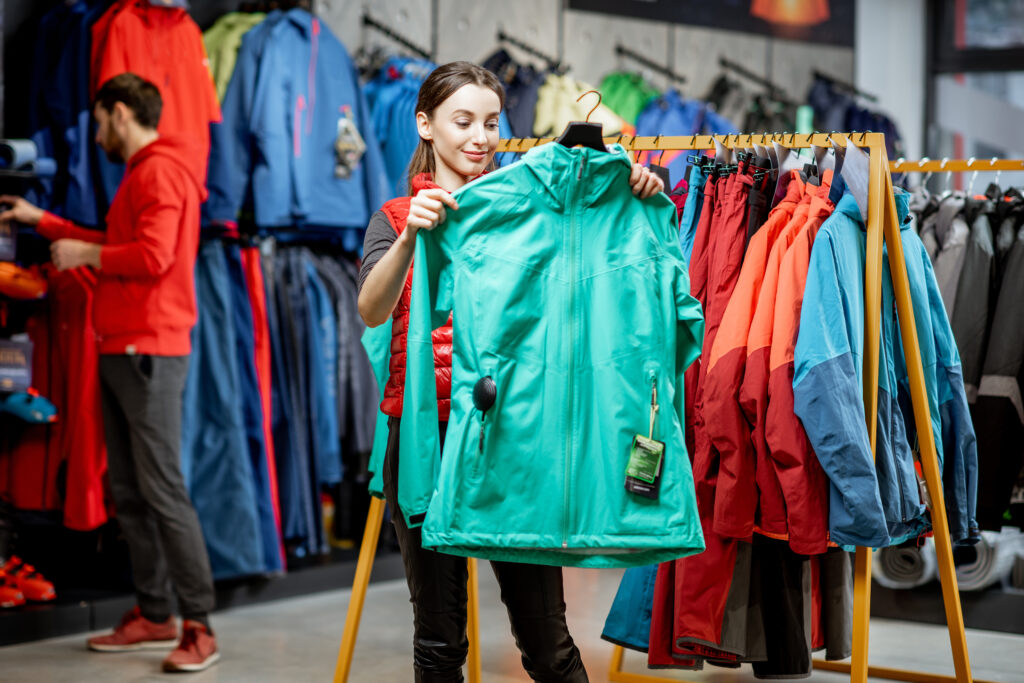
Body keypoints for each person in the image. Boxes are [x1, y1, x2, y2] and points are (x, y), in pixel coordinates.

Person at [357, 61, 664, 683]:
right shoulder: (397, 216)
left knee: (546, 638)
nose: (480, 137)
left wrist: (631, 193)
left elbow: (591, 256)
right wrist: (414, 238)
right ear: (426, 125)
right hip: (426, 442)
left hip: (515, 440)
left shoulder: (536, 209)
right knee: (439, 639)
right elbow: (370, 308)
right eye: (463, 121)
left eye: (492, 123)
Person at [0, 73, 218, 673]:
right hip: (124, 347)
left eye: (99, 122)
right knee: (132, 491)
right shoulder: (145, 174)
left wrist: (86, 254)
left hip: (149, 349)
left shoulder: (161, 171)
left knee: (163, 490)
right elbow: (118, 241)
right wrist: (43, 222)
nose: (97, 135)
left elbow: (153, 256)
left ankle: (199, 624)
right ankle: (154, 613)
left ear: (120, 113)